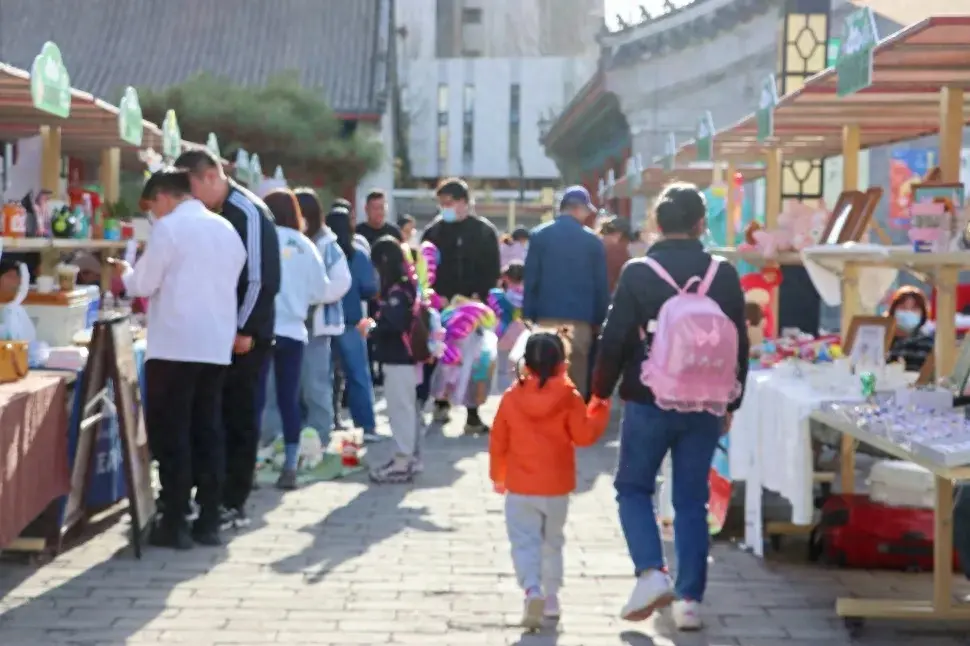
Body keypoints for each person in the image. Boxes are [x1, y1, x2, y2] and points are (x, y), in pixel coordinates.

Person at [590, 182, 748, 630]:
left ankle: (652, 572)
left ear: (657, 224)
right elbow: (740, 342)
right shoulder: (724, 273)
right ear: (701, 224)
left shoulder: (640, 273)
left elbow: (615, 338)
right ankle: (690, 601)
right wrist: (732, 400)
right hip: (706, 403)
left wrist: (599, 391)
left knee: (634, 488)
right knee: (691, 501)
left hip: (649, 399)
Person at [114, 168, 246, 548]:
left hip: (174, 345)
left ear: (164, 197)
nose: (154, 212)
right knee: (207, 430)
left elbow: (142, 284)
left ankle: (174, 520)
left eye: (152, 204)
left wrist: (125, 272)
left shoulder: (169, 230)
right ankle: (208, 519)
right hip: (215, 346)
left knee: (172, 434)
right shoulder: (225, 230)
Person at [174, 148, 281, 530]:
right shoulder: (215, 213)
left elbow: (260, 278)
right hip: (217, 334)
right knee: (213, 416)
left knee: (237, 416)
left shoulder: (246, 212)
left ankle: (233, 500)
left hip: (244, 337)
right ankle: (210, 495)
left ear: (208, 177)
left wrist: (245, 328)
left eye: (190, 189)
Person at [489, 330, 610, 628]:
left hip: (519, 485)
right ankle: (552, 599)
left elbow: (498, 442)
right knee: (552, 542)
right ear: (562, 362)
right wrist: (598, 409)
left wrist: (499, 476)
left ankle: (532, 589)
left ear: (525, 363)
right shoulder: (568, 396)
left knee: (524, 541)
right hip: (556, 487)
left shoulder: (510, 397)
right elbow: (583, 436)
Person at [256, 189, 333, 490]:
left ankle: (250, 460)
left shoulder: (261, 239)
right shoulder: (305, 245)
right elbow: (320, 290)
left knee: (257, 397)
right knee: (289, 399)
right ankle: (290, 464)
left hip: (262, 328)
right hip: (294, 331)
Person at [422, 177, 500, 432]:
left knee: (475, 360)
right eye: (441, 203)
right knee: (442, 357)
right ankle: (441, 401)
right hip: (442, 308)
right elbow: (425, 268)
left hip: (473, 309)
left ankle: (473, 413)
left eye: (449, 203)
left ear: (465, 203)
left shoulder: (484, 232)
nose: (444, 208)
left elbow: (492, 269)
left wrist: (479, 296)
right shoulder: (433, 232)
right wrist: (436, 295)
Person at [523, 186, 609, 400]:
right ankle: (573, 425)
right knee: (576, 378)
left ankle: (545, 421)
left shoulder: (539, 236)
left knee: (544, 371)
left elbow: (531, 279)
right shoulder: (592, 242)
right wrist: (599, 320)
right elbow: (600, 285)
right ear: (577, 209)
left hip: (545, 319)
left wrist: (529, 314)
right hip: (580, 321)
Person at [366, 236, 422, 483]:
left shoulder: (398, 292)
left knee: (400, 411)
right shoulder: (407, 286)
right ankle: (410, 458)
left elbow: (394, 324)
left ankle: (402, 461)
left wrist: (371, 328)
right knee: (408, 410)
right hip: (406, 359)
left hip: (399, 358)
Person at [326, 205, 381, 442]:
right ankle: (366, 426)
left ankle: (331, 420)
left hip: (324, 323)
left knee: (325, 377)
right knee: (358, 376)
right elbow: (369, 289)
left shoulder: (323, 252)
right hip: (351, 322)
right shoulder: (357, 255)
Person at [885, 286, 934, 372]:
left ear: (922, 314)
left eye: (914, 308)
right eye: (903, 307)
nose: (908, 312)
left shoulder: (927, 343)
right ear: (893, 310)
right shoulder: (882, 338)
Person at [599, 216, 633, 293]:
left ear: (618, 235)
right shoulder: (633, 250)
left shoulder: (613, 251)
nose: (603, 238)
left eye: (606, 234)